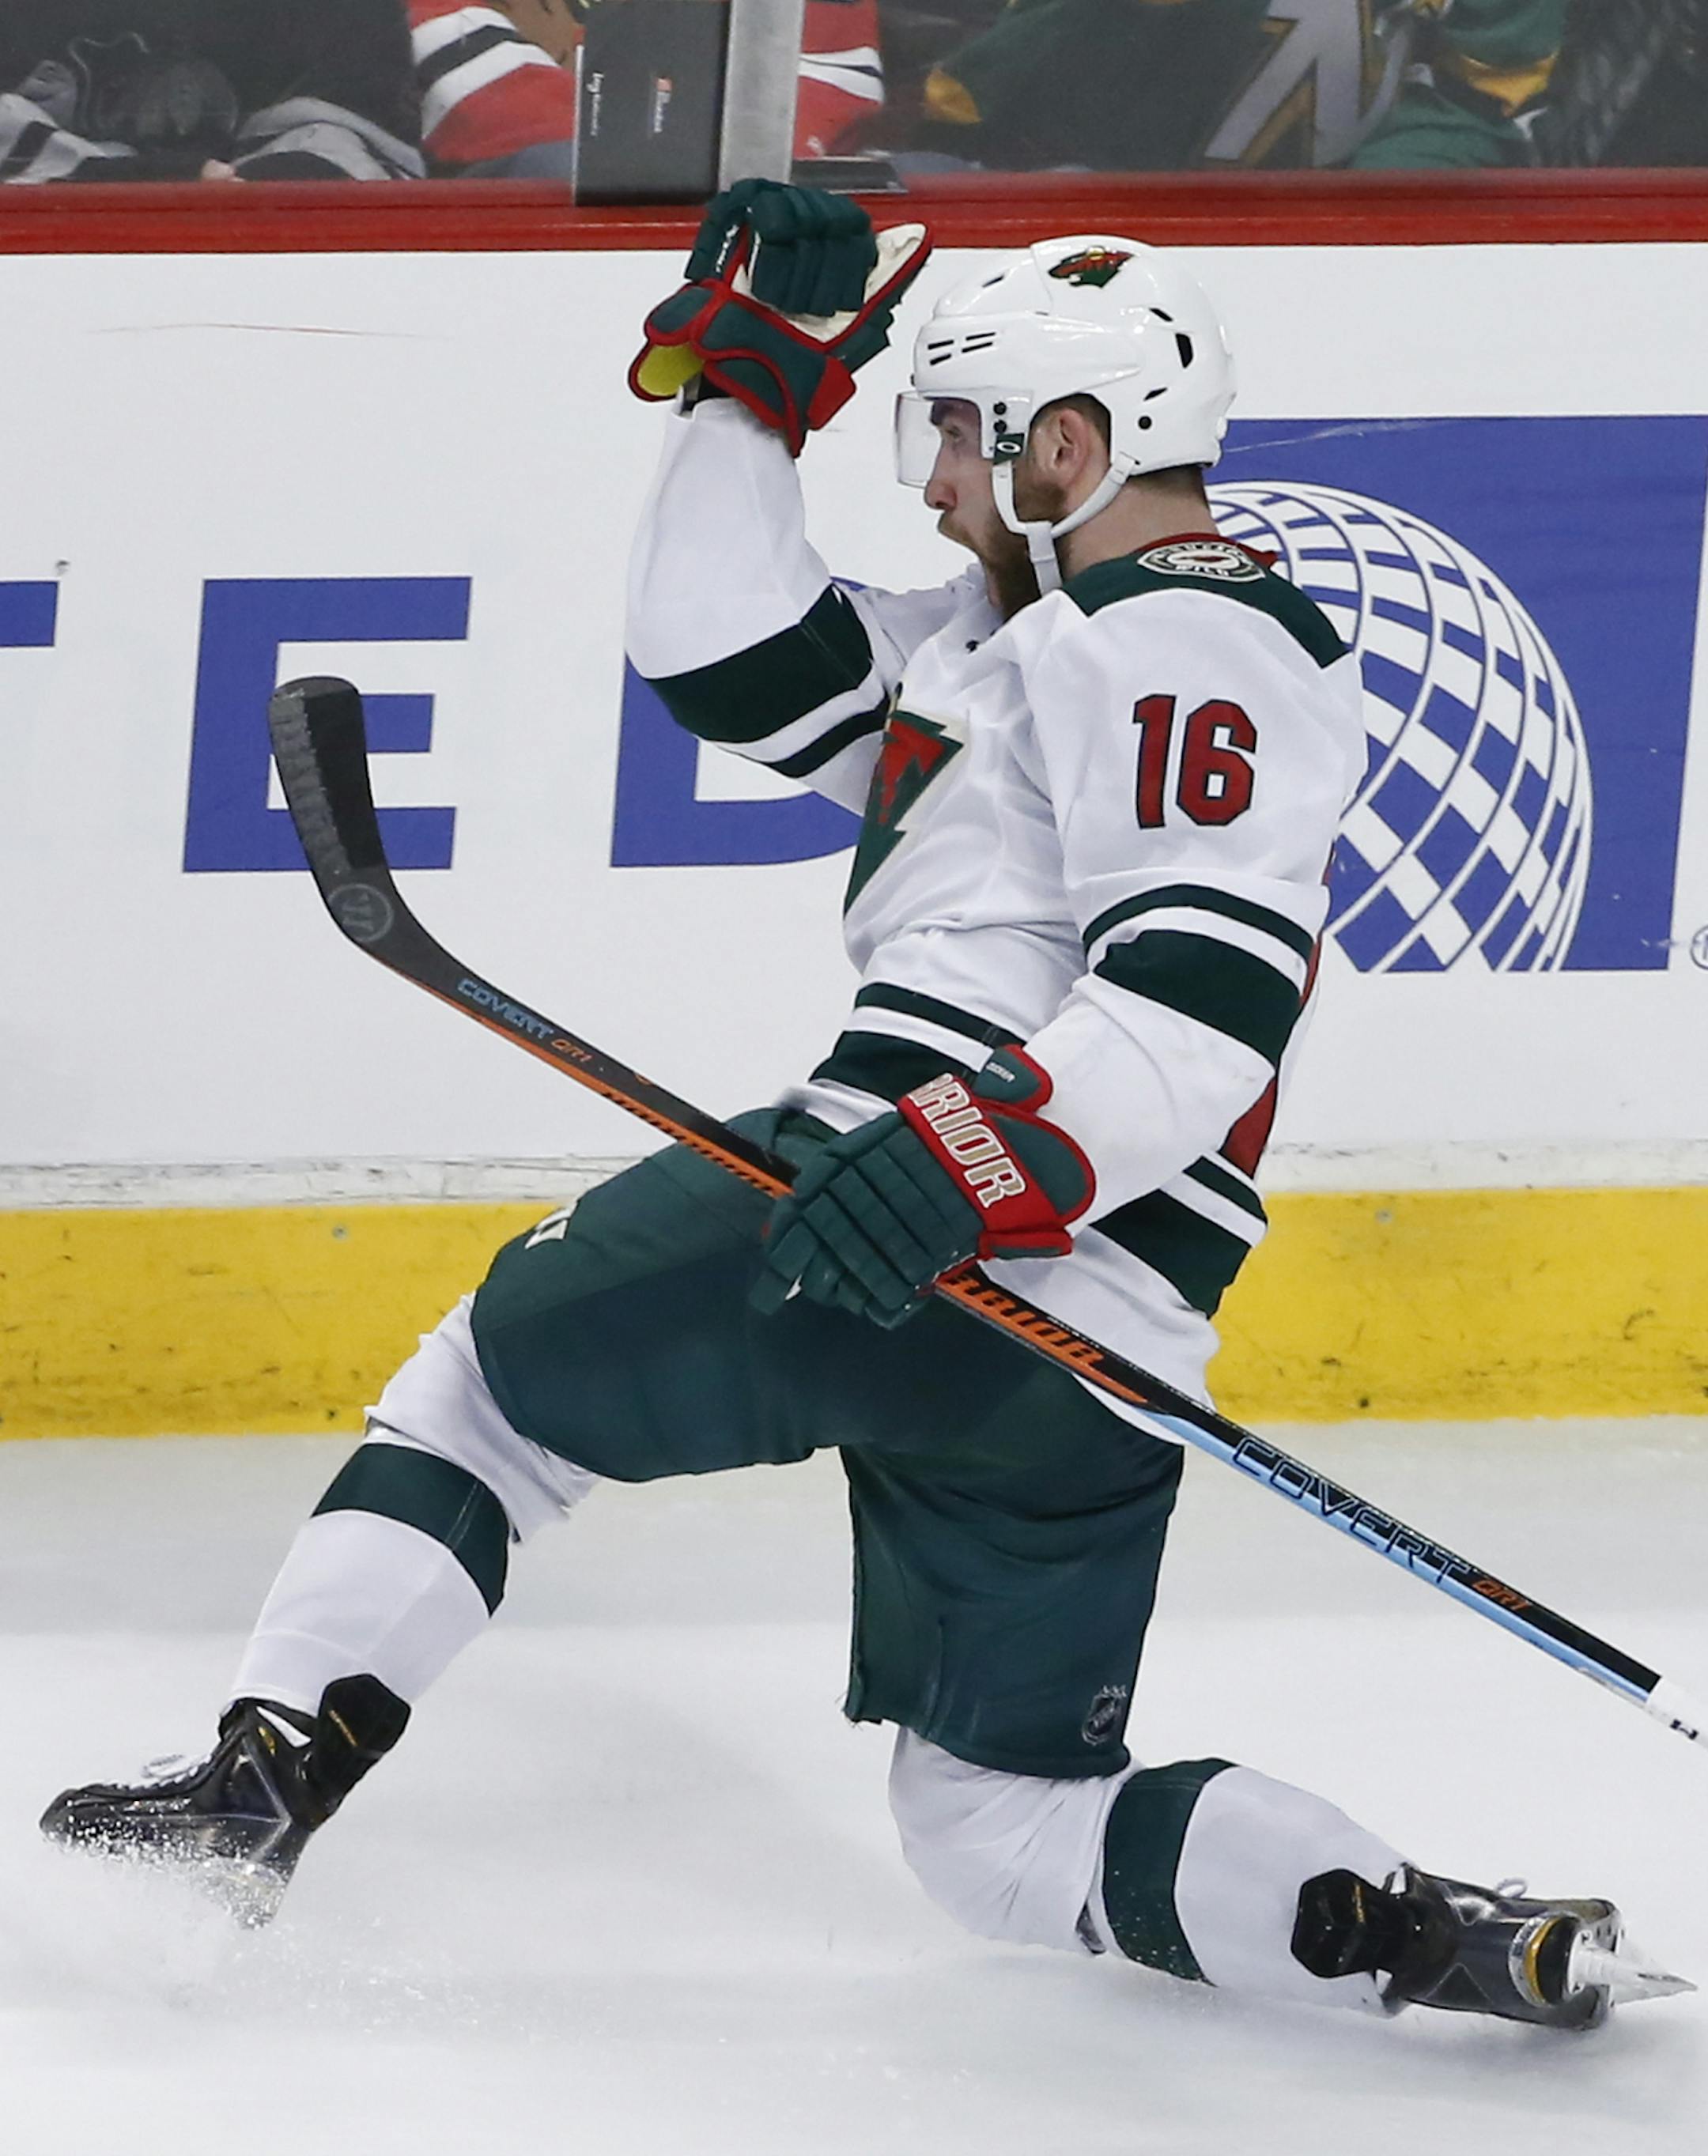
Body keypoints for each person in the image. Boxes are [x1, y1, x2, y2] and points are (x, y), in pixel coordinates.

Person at [41, 180, 1681, 2033]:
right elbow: (721, 654)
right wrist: (745, 393)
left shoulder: (1181, 641)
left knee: (489, 1396)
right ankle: (1430, 1934)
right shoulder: (1013, 647)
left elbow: (1199, 1001)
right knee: (1000, 1826)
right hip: (1085, 1347)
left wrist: (951, 1158)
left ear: (1071, 446)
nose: (927, 482)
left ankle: (262, 1782)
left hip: (912, 1203)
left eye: (959, 442)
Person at [0, 0, 424, 183]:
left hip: (270, 291)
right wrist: (159, 186)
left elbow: (364, 165)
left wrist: (241, 200)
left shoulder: (345, 17)